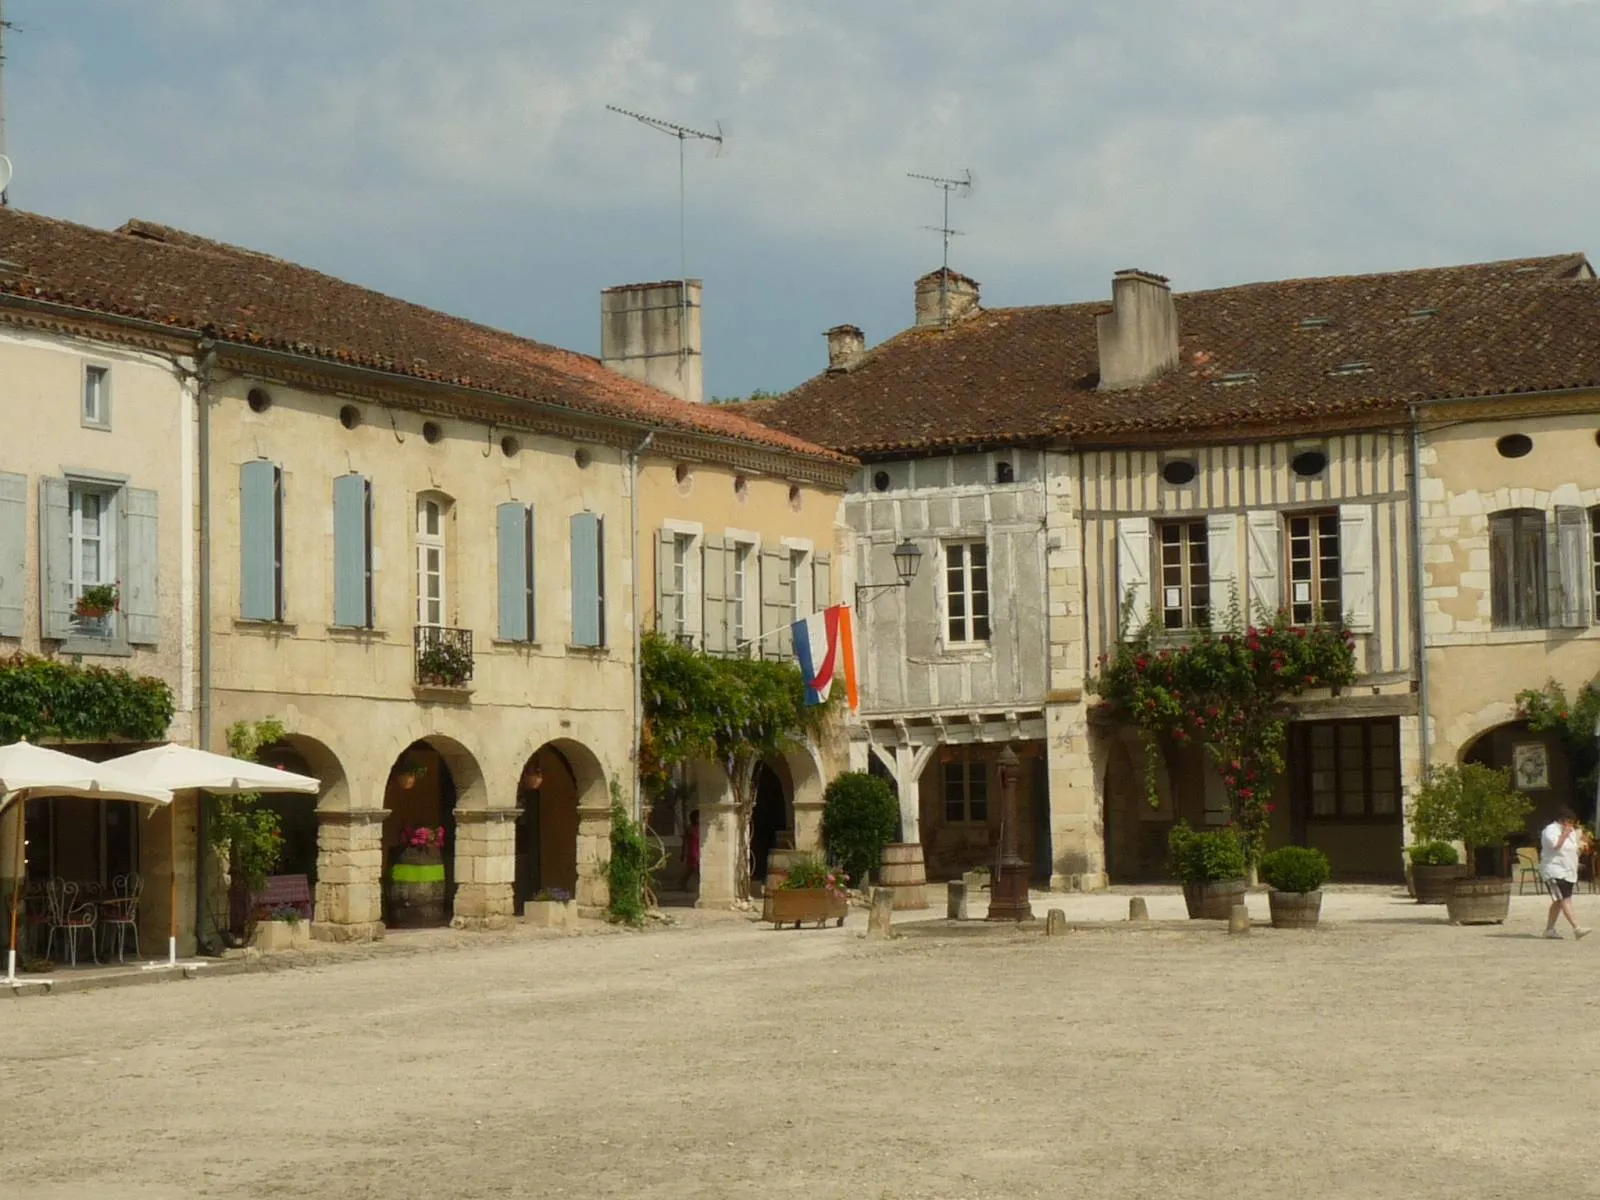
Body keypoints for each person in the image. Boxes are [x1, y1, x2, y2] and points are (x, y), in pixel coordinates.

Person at [1540, 806, 1590, 940]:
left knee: (1558, 901)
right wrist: (1565, 834)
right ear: (1563, 820)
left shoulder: (1571, 831)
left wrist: (1581, 844)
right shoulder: (1550, 830)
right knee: (1564, 898)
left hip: (1568, 871)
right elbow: (1556, 845)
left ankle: (1549, 929)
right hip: (1554, 870)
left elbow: (1573, 847)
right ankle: (1576, 928)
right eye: (1570, 822)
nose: (1572, 825)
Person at [680, 809, 701, 893]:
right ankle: (683, 883)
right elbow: (685, 841)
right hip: (693, 851)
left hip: (698, 850)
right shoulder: (690, 828)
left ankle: (683, 883)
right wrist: (682, 853)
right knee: (693, 869)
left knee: (693, 869)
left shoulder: (700, 827)